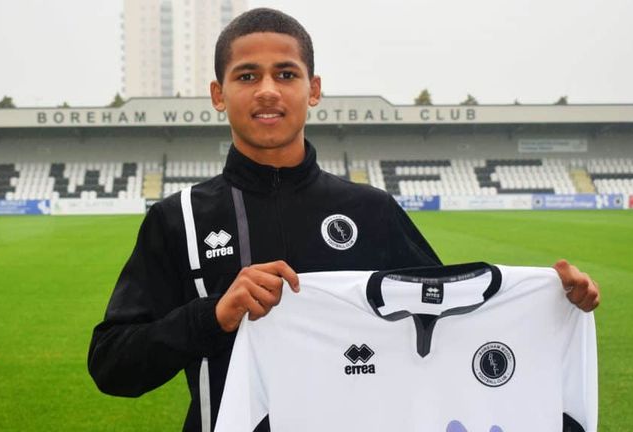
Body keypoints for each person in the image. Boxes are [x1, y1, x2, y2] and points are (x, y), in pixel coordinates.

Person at [87, 7, 600, 432]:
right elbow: (111, 364)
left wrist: (556, 305)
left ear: (313, 89)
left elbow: (450, 330)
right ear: (219, 94)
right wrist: (213, 315)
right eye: (247, 75)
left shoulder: (371, 211)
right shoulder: (177, 220)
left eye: (285, 74)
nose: (268, 90)